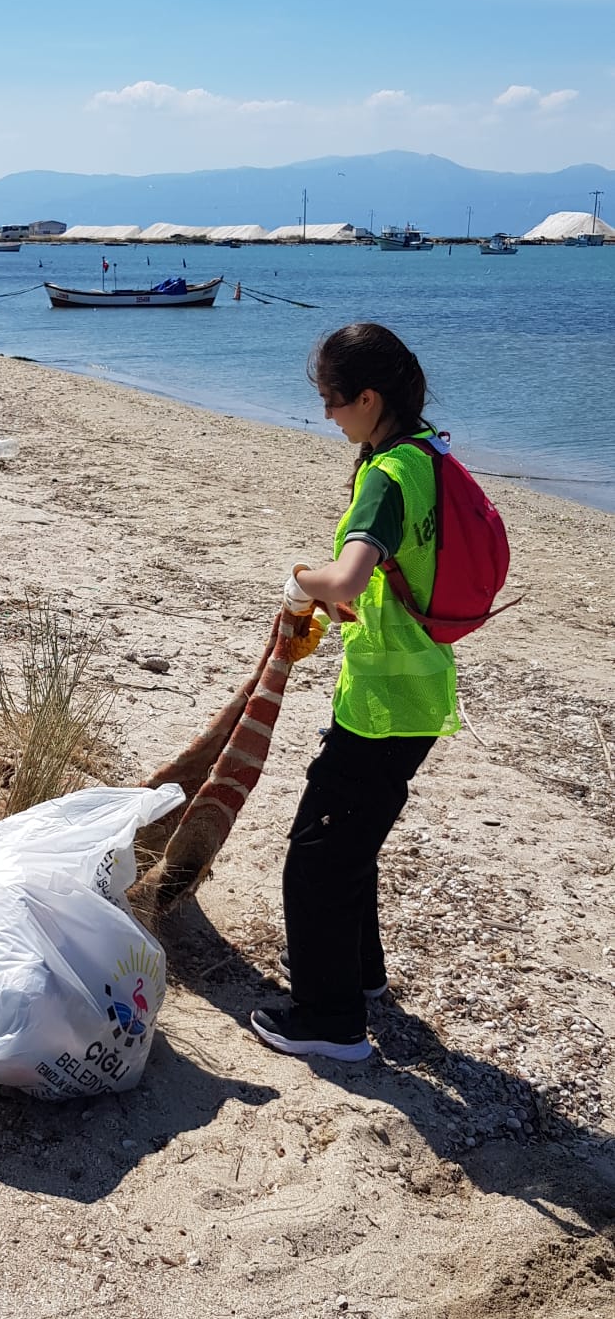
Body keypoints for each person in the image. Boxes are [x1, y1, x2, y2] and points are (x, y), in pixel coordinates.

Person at [250, 321, 459, 1065]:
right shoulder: (427, 452)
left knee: (318, 854)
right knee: (354, 837)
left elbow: (347, 577)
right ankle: (362, 978)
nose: (327, 415)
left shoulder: (383, 476)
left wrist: (299, 580)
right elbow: (398, 575)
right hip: (422, 686)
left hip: (382, 701)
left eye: (333, 401)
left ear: (369, 397)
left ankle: (330, 1020)